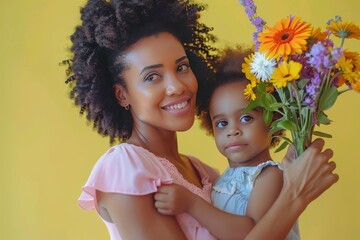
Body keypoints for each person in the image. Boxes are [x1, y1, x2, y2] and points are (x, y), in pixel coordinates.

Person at [64, 0, 338, 239]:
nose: (177, 86)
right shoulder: (126, 168)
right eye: (152, 77)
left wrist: (283, 183)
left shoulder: (205, 174)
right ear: (122, 94)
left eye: (181, 67)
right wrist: (295, 196)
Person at [154, 47, 301, 239]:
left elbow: (251, 234)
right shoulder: (222, 179)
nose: (233, 131)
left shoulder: (270, 176)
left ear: (273, 119)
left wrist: (191, 203)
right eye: (222, 123)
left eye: (246, 118)